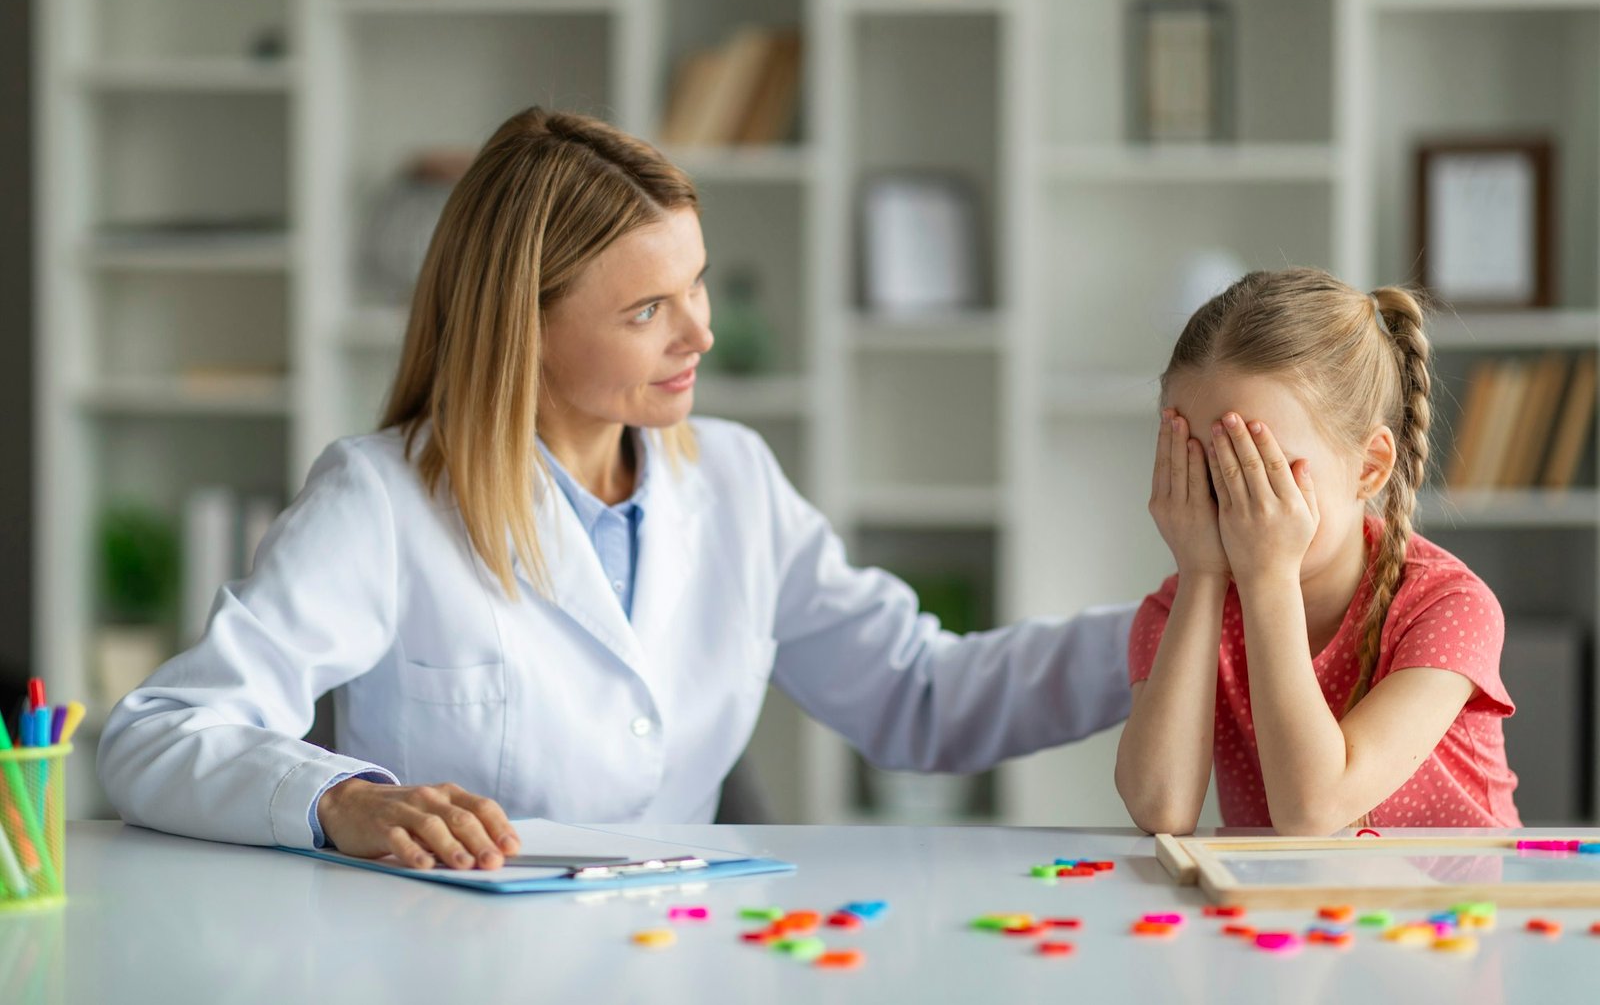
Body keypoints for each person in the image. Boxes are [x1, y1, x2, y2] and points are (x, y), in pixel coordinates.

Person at [99, 108, 1137, 871]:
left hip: (675, 958)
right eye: (648, 308)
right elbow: (161, 734)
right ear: (526, 323)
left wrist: (1178, 625)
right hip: (448, 963)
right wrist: (342, 799)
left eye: (696, 285)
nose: (702, 333)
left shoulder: (732, 480)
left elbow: (922, 697)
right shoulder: (384, 500)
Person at [1115, 268, 1520, 836]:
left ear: (1370, 467)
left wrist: (1269, 577)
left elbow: (1313, 809)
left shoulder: (1449, 607)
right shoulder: (1177, 613)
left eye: (1262, 472)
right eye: (1205, 473)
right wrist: (1203, 575)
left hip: (1458, 909)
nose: (1233, 508)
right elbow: (1162, 807)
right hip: (1302, 915)